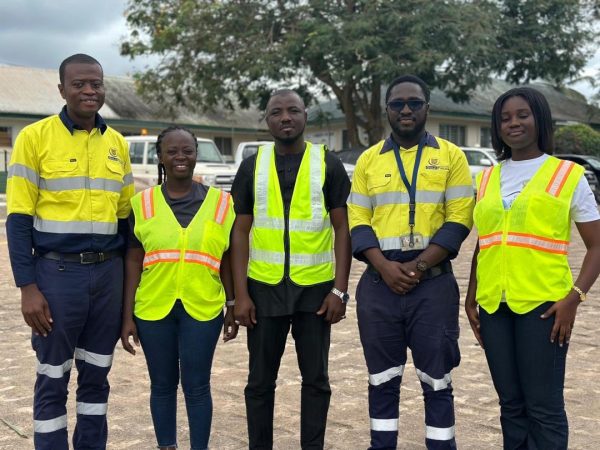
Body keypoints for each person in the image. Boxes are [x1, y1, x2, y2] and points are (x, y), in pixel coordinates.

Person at [5, 54, 134, 450]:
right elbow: (18, 220)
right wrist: (27, 287)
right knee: (53, 376)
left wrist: (128, 297)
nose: (89, 91)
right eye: (79, 84)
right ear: (62, 90)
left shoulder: (117, 144)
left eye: (96, 83)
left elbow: (126, 223)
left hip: (108, 277)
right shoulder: (34, 138)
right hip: (58, 277)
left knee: (97, 376)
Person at [464, 87, 600, 449]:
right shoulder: (487, 178)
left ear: (539, 119)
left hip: (545, 308)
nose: (514, 123)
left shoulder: (568, 175)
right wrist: (470, 296)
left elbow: (597, 245)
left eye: (522, 115)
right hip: (494, 307)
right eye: (505, 118)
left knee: (543, 407)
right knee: (510, 405)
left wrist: (574, 298)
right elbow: (486, 239)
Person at [348, 74, 475, 450]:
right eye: (398, 104)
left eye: (414, 103)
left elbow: (460, 219)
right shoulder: (369, 160)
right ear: (387, 110)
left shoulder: (451, 156)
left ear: (427, 108)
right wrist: (384, 267)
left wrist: (418, 267)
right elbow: (358, 220)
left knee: (437, 380)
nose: (406, 110)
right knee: (382, 380)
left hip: (432, 285)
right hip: (379, 285)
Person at [230, 89, 352, 450]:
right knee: (259, 383)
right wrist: (240, 295)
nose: (286, 117)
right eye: (277, 112)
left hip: (316, 293)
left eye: (293, 110)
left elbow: (343, 228)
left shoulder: (327, 163)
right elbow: (239, 231)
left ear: (305, 116)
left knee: (316, 380)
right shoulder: (252, 166)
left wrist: (339, 290)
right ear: (267, 120)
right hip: (263, 291)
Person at [120, 126, 238, 450]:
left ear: (196, 154)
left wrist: (231, 305)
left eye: (187, 150)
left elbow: (227, 259)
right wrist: (127, 316)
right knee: (162, 385)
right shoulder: (142, 203)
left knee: (197, 386)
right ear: (160, 157)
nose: (180, 157)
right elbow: (133, 261)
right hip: (152, 308)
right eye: (171, 151)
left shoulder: (222, 204)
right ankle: (166, 446)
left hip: (203, 307)